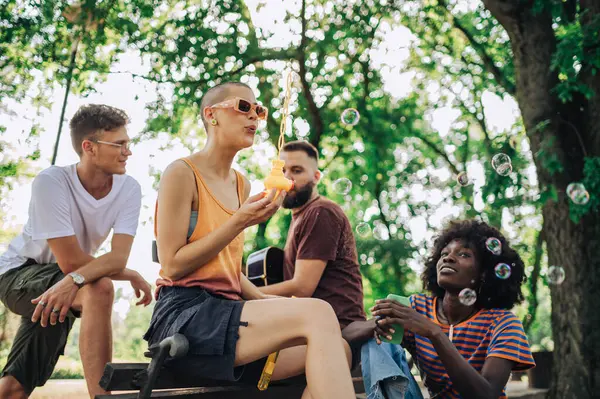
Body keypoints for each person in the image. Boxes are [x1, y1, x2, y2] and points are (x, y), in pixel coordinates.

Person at [144, 81, 355, 399]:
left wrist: (274, 303)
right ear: (211, 115)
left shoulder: (241, 184)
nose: (254, 116)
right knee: (318, 314)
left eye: (259, 110)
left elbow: (230, 274)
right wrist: (239, 221)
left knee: (338, 345)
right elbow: (172, 266)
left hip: (228, 315)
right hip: (186, 317)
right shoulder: (181, 173)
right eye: (243, 107)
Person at [0, 104, 152, 399]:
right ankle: (101, 396)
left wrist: (77, 280)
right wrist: (126, 274)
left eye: (128, 144)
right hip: (17, 275)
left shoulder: (129, 189)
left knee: (14, 388)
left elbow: (117, 257)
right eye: (119, 144)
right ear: (89, 147)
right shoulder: (52, 182)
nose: (127, 152)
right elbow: (70, 262)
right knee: (100, 287)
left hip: (67, 285)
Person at [343, 219, 535, 399]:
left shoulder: (503, 323)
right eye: (444, 254)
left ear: (484, 272)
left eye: (464, 254)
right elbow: (347, 334)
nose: (449, 258)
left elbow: (487, 394)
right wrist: (379, 324)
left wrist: (434, 332)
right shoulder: (418, 307)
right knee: (380, 339)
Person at [257, 140, 366, 366]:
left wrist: (245, 294)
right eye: (282, 170)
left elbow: (302, 287)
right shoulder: (300, 216)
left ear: (316, 177)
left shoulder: (321, 212)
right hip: (314, 329)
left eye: (297, 171)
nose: (288, 178)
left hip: (338, 331)